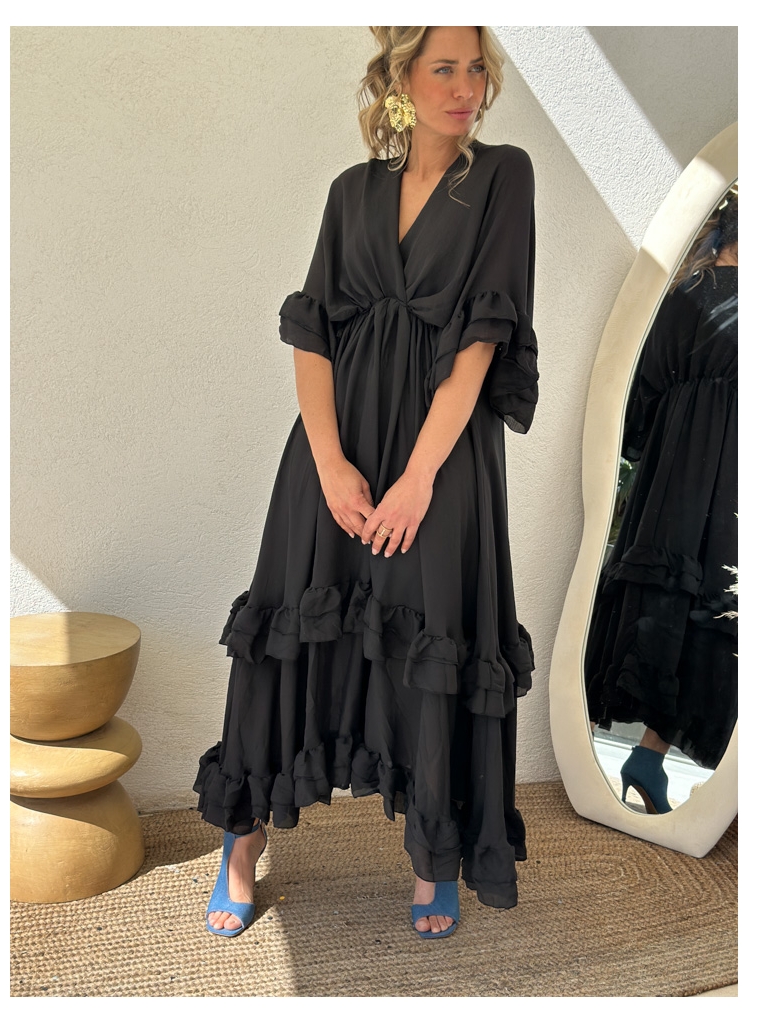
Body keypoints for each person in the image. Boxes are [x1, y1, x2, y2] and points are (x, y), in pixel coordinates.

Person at [194, 25, 538, 939]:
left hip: (442, 457)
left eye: (477, 69)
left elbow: (483, 338)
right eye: (443, 68)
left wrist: (419, 477)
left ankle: (434, 859)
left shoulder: (502, 178)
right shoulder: (352, 192)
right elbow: (312, 332)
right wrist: (329, 461)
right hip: (333, 450)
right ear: (400, 81)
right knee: (289, 630)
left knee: (433, 640)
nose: (464, 87)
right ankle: (240, 848)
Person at [585, 192, 738, 814]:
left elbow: (640, 398)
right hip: (726, 477)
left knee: (676, 603)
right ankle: (651, 759)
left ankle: (646, 759)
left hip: (674, 478)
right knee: (713, 609)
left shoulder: (681, 295)